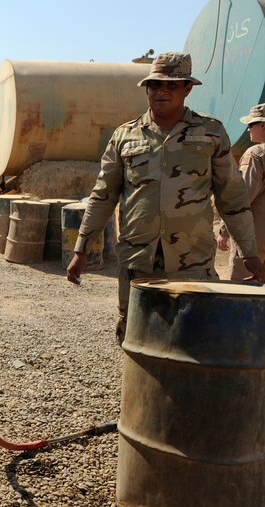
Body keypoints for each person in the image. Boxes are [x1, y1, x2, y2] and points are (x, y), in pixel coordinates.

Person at [66, 51, 265, 343]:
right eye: (155, 85)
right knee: (138, 338)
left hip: (192, 265)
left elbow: (233, 199)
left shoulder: (210, 133)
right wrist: (81, 249)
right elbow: (103, 196)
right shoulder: (125, 137)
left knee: (195, 339)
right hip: (138, 264)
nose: (162, 91)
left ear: (187, 89)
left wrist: (249, 253)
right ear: (146, 89)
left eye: (172, 85)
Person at [217, 103, 265, 280]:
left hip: (254, 241)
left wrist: (224, 230)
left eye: (250, 125)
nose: (247, 130)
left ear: (263, 125)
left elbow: (242, 197)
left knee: (240, 293)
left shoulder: (256, 154)